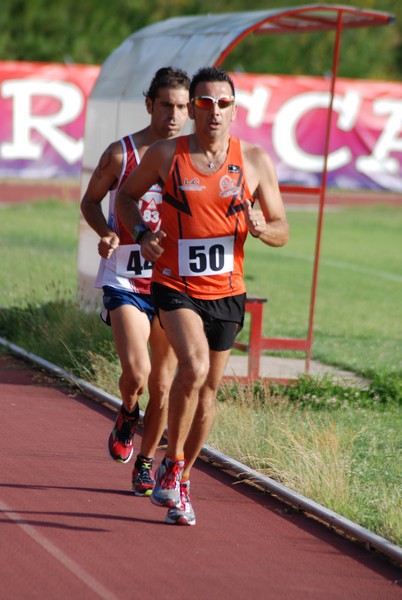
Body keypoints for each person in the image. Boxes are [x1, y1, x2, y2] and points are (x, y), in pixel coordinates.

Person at [116, 66, 289, 525]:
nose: (215, 112)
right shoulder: (165, 155)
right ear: (193, 108)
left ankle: (182, 477)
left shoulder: (253, 159)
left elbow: (282, 229)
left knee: (209, 391)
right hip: (175, 285)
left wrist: (261, 228)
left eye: (224, 103)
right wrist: (141, 232)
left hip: (228, 291)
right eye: (206, 103)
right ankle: (170, 466)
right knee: (190, 367)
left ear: (234, 109)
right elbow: (126, 198)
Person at [80, 67, 190, 496]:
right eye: (166, 105)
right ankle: (128, 410)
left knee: (164, 386)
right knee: (138, 373)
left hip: (171, 284)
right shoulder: (121, 154)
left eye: (182, 107)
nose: (174, 115)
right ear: (149, 105)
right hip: (125, 276)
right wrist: (106, 233)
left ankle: (145, 461)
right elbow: (91, 201)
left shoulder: (192, 159)